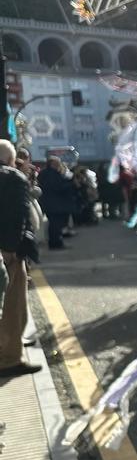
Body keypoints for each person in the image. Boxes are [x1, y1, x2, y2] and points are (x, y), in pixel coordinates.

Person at [0, 140, 40, 377]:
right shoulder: (13, 178)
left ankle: (10, 345)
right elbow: (18, 217)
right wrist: (10, 250)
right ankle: (9, 357)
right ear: (11, 159)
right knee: (13, 305)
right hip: (10, 253)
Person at [37, 156, 76, 251]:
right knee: (56, 225)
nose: (59, 165)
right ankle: (56, 243)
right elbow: (58, 187)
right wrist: (70, 183)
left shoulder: (43, 173)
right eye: (57, 163)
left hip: (48, 203)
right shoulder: (53, 174)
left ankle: (55, 242)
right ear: (52, 164)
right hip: (55, 203)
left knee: (53, 224)